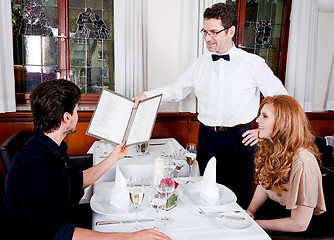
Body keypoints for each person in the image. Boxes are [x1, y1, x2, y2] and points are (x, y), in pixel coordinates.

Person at [133, 2, 287, 207]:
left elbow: (282, 99)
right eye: (204, 32)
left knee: (237, 199)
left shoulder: (253, 64)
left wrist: (264, 132)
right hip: (207, 138)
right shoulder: (199, 64)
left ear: (230, 31)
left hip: (239, 139)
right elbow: (176, 89)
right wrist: (146, 95)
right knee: (203, 195)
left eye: (214, 32)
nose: (207, 38)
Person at [3, 79, 170, 240]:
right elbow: (58, 233)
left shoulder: (48, 147)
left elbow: (77, 181)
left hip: (63, 222)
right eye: (76, 110)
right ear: (66, 118)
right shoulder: (35, 165)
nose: (78, 114)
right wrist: (130, 237)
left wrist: (114, 157)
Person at [246, 95, 326, 233]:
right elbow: (264, 185)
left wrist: (254, 225)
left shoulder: (303, 162)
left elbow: (299, 224)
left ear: (282, 122)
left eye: (264, 116)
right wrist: (250, 211)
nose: (257, 120)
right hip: (275, 213)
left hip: (297, 229)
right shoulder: (271, 146)